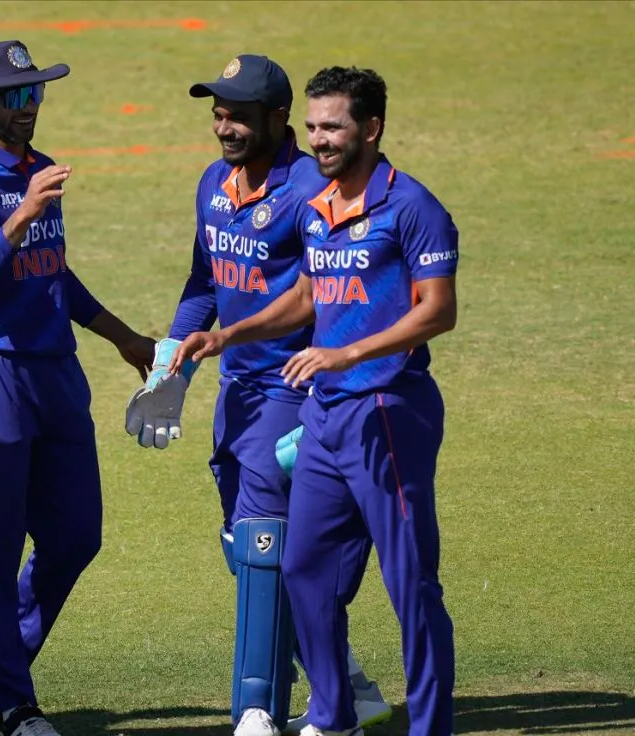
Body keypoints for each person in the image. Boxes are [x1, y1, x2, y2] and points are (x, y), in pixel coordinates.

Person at [171, 66, 459, 736]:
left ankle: (430, 726)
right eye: (314, 127)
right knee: (301, 569)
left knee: (411, 582)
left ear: (372, 128)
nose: (320, 140)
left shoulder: (411, 206)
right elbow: (306, 295)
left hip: (386, 407)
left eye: (333, 127)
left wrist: (346, 354)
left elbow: (438, 312)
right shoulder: (321, 204)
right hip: (326, 412)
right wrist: (226, 333)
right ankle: (335, 714)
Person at [124, 56, 392, 736]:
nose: (225, 127)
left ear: (280, 118)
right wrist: (172, 373)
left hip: (297, 386)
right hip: (239, 387)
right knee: (245, 547)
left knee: (263, 539)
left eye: (239, 114)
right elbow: (202, 283)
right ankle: (347, 683)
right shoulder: (213, 185)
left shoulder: (312, 188)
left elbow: (323, 295)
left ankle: (256, 711)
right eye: (217, 113)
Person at [0, 39, 155, 736]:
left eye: (36, 94)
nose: (30, 109)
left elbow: (52, 269)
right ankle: (15, 706)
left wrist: (121, 335)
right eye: (16, 96)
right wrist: (23, 212)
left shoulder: (35, 170)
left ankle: (1, 654)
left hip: (56, 371)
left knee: (76, 534)